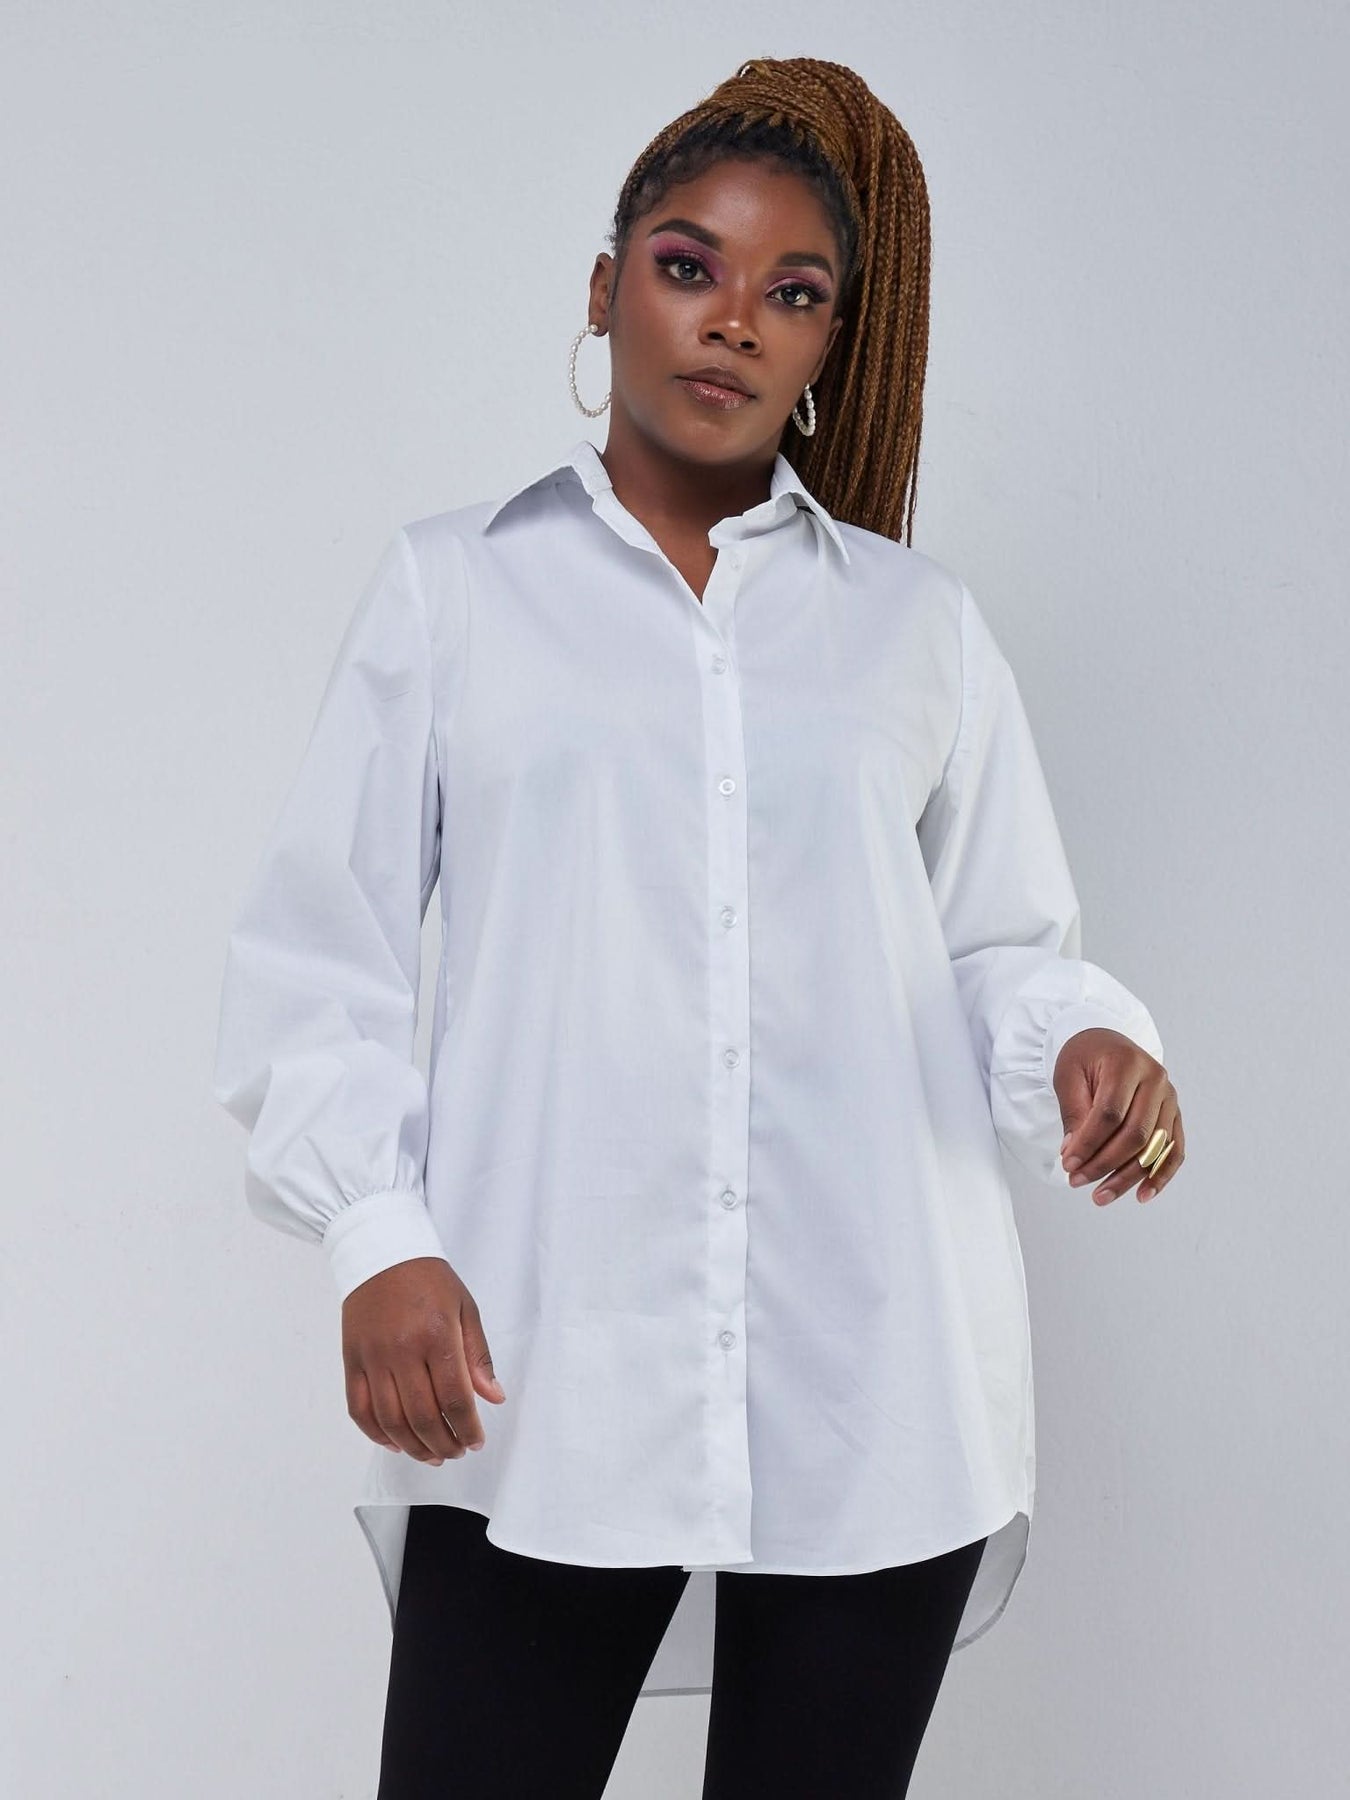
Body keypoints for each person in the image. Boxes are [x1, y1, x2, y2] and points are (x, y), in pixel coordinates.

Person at [212, 54, 1185, 1800]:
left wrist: (1089, 1043)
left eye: (790, 294)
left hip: (871, 1378)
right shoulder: (455, 590)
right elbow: (319, 958)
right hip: (543, 1371)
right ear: (605, 290)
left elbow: (996, 948)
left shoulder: (917, 630)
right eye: (687, 267)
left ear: (829, 348)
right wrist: (373, 1232)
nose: (732, 319)